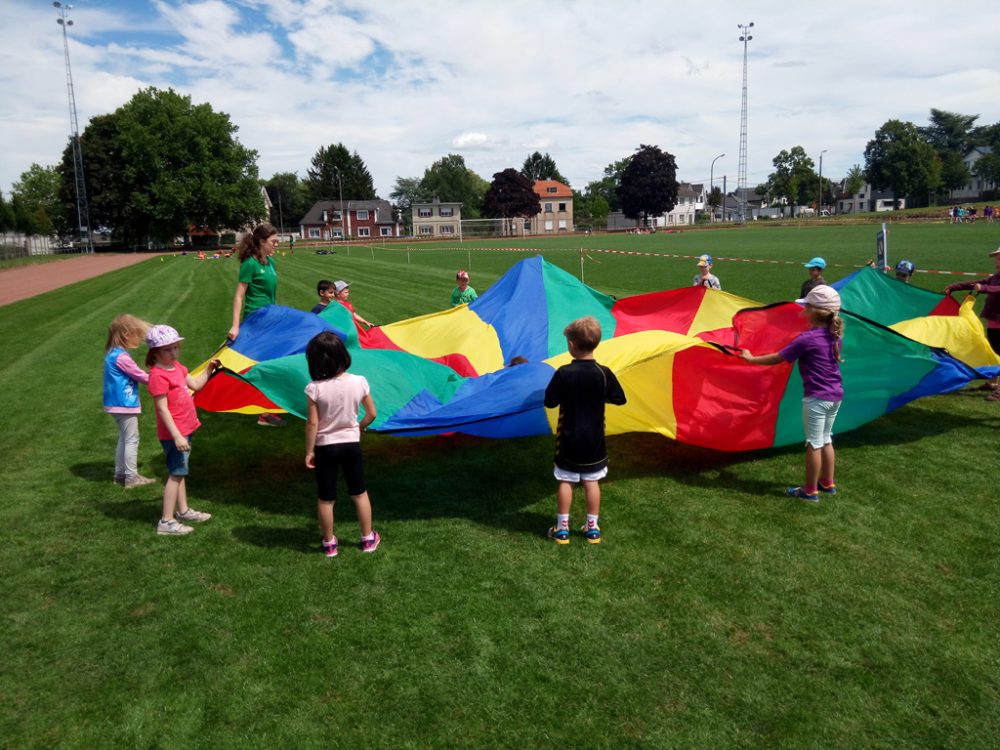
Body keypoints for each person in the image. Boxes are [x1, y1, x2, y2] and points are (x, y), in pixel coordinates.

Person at [742, 285, 844, 502]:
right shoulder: (835, 335)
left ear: (813, 311)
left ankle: (810, 491)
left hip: (817, 398)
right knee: (826, 439)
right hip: (835, 396)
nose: (803, 310)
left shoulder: (806, 339)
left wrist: (750, 359)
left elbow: (779, 357)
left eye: (806, 306)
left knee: (813, 443)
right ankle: (828, 482)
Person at [544, 316, 627, 544]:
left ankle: (562, 529)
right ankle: (592, 528)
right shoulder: (603, 373)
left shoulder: (563, 373)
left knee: (566, 481)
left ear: (571, 345)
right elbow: (619, 398)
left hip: (569, 439)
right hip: (594, 441)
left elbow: (550, 401)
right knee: (592, 481)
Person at [304, 331, 381, 557]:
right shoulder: (359, 382)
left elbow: (312, 423)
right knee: (359, 493)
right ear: (343, 355)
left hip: (325, 447)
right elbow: (372, 413)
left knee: (326, 499)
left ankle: (329, 544)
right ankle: (368, 538)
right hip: (351, 445)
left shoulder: (314, 389)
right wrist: (360, 427)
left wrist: (309, 451)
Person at [145, 325, 219, 535]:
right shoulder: (158, 376)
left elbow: (195, 384)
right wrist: (177, 435)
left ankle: (183, 510)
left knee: (180, 471)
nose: (174, 353)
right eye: (167, 350)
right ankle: (166, 521)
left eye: (176, 347)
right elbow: (162, 408)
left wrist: (209, 370)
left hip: (186, 429)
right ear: (155, 353)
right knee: (176, 474)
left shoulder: (178, 368)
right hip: (174, 434)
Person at [229, 223, 284, 426]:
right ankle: (264, 412)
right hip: (256, 320)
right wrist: (235, 326)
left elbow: (271, 294)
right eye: (273, 242)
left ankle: (269, 406)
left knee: (272, 362)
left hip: (271, 319)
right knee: (264, 364)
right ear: (261, 242)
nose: (276, 245)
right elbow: (239, 296)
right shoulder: (249, 264)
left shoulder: (270, 263)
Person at [104, 314, 155, 488]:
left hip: (115, 404)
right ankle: (131, 478)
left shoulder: (113, 354)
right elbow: (139, 375)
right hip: (124, 404)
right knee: (132, 439)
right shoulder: (121, 357)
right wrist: (160, 379)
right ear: (127, 334)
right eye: (137, 335)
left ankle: (120, 474)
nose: (139, 339)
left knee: (124, 438)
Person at [944, 247, 1000, 399]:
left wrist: (984, 288)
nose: (996, 261)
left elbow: (996, 289)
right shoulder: (995, 277)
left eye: (999, 258)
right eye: (996, 258)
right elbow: (976, 282)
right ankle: (993, 383)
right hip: (994, 322)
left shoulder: (994, 282)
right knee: (993, 353)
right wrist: (955, 287)